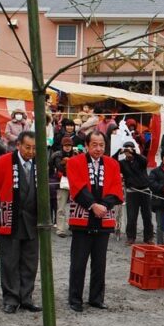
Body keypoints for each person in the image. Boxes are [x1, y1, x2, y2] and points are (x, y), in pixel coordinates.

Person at [66, 131, 123, 311]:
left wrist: (104, 206)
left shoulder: (113, 164)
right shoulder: (75, 162)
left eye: (101, 145)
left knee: (100, 262)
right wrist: (92, 205)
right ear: (87, 145)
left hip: (103, 218)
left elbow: (116, 189)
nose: (98, 149)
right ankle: (75, 299)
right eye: (94, 145)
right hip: (83, 216)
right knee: (78, 261)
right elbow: (76, 187)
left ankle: (96, 298)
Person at [0, 131, 42, 314]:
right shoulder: (3, 162)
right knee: (9, 260)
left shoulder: (40, 164)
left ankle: (26, 297)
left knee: (30, 261)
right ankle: (10, 298)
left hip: (32, 219)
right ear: (18, 145)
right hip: (10, 215)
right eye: (27, 147)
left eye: (34, 148)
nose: (31, 152)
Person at [117, 140, 153, 245]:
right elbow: (113, 163)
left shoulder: (139, 160)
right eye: (126, 148)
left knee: (147, 216)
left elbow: (145, 161)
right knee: (131, 216)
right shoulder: (123, 163)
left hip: (145, 190)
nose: (128, 150)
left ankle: (148, 238)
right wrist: (119, 152)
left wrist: (134, 153)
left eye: (130, 148)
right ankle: (131, 237)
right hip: (132, 191)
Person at [51, 136, 75, 238]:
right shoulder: (58, 155)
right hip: (62, 183)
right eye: (66, 145)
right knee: (61, 207)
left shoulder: (76, 154)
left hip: (73, 182)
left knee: (74, 207)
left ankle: (73, 226)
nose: (67, 147)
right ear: (62, 146)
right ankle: (60, 229)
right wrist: (69, 162)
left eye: (69, 145)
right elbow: (60, 168)